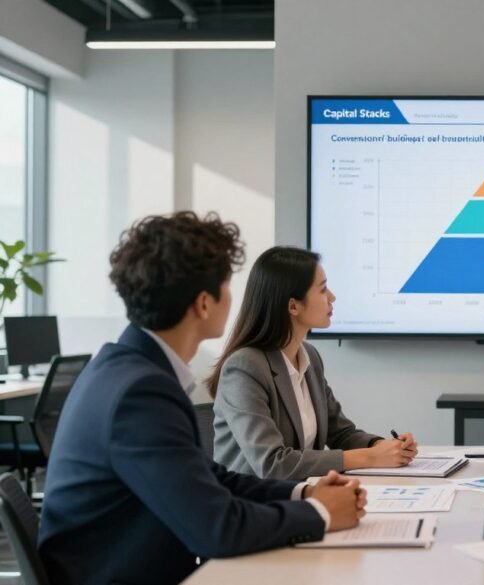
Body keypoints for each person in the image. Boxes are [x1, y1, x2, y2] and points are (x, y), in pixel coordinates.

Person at [38, 212, 367, 585]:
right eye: (227, 285)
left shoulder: (128, 368)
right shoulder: (140, 393)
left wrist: (304, 491)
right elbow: (217, 529)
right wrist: (319, 513)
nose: (233, 298)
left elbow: (209, 478)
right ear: (204, 304)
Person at [208, 246, 417, 479]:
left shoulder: (309, 356)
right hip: (253, 505)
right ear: (293, 306)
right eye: (323, 289)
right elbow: (272, 464)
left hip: (302, 495)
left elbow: (341, 434)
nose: (332, 297)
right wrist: (370, 458)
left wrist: (382, 446)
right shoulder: (244, 367)